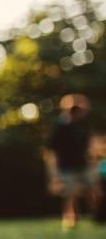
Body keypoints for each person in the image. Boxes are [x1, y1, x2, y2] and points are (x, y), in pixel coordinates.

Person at [46, 95, 99, 229]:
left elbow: (89, 146)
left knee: (92, 190)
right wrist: (53, 173)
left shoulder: (83, 125)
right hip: (66, 166)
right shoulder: (59, 127)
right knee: (71, 194)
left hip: (83, 164)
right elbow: (52, 151)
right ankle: (71, 218)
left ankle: (97, 216)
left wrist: (92, 162)